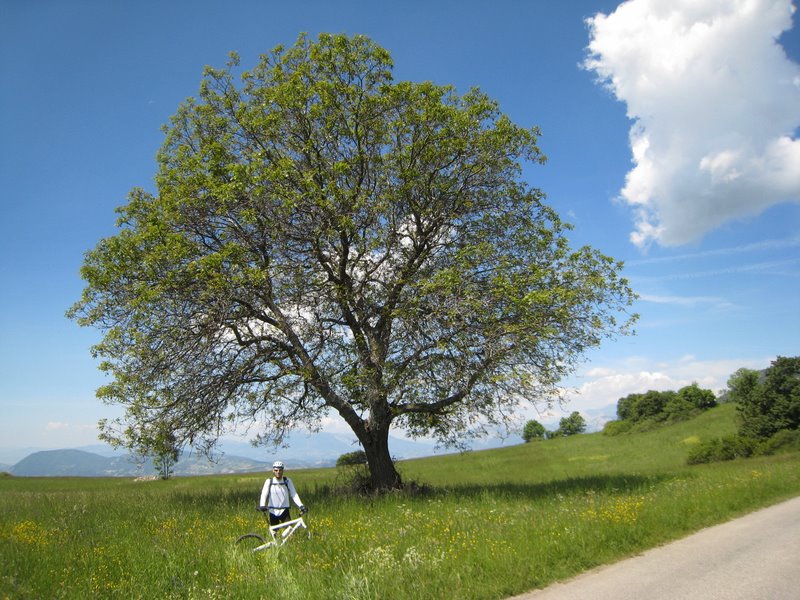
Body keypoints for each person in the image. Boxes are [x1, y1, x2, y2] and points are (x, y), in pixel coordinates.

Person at [258, 461, 307, 525]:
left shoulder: (287, 481)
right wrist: (262, 505)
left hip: (284, 511)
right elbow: (264, 494)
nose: (278, 472)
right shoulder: (269, 481)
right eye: (276, 470)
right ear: (273, 471)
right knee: (274, 533)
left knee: (289, 531)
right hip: (272, 511)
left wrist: (301, 505)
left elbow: (294, 494)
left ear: (283, 470)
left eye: (280, 470)